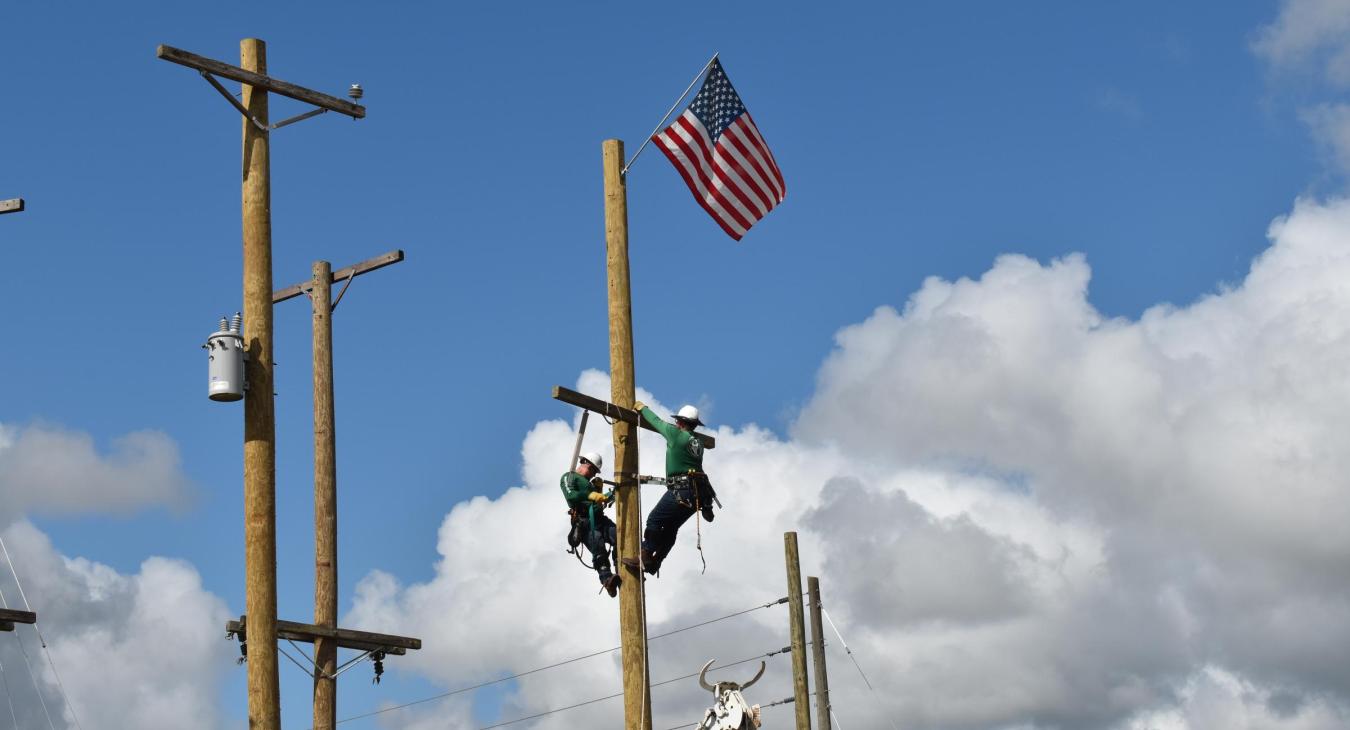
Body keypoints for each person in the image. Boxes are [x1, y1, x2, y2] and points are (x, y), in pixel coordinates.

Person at [621, 402, 715, 576]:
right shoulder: (698, 442)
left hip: (681, 490)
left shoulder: (676, 435)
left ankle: (646, 555)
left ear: (680, 422)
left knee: (654, 521)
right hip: (696, 495)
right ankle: (657, 561)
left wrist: (642, 409)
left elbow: (656, 421)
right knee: (671, 528)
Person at [560, 451, 621, 597]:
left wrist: (605, 494)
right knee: (599, 549)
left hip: (600, 518)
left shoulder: (590, 483)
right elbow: (571, 496)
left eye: (594, 471)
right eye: (592, 470)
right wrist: (590, 494)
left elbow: (598, 501)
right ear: (584, 463)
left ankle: (621, 565)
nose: (592, 474)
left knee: (620, 536)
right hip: (585, 522)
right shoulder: (569, 477)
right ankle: (607, 580)